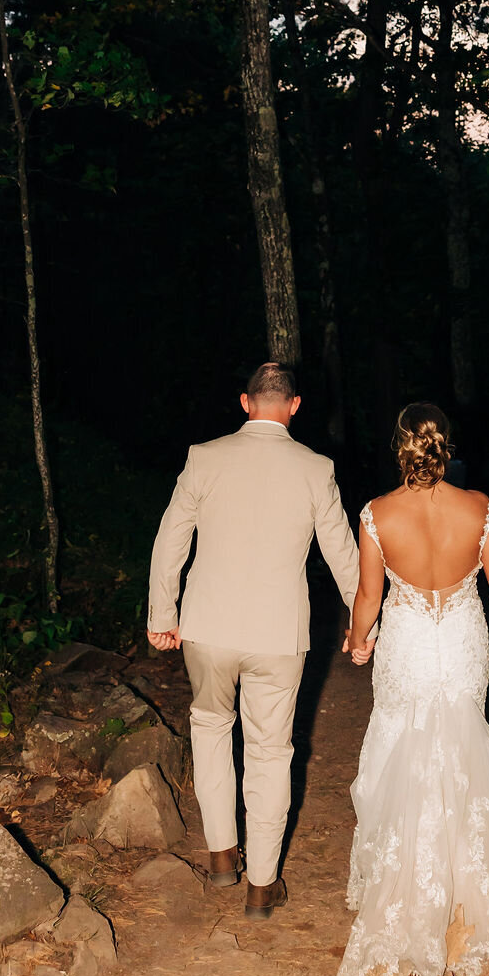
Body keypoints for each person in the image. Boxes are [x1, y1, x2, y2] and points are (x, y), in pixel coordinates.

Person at [334, 402, 489, 976]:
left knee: (404, 749)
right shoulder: (479, 508)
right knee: (459, 750)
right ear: (446, 445)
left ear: (398, 447)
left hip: (405, 642)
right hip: (459, 641)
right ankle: (467, 905)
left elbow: (369, 593)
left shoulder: (377, 514)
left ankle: (408, 898)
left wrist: (358, 640)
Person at [147, 363, 359, 919]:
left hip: (208, 628)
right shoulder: (316, 467)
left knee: (210, 727)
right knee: (270, 752)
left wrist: (161, 613)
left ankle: (221, 855)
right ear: (294, 406)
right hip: (276, 634)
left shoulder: (205, 456)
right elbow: (342, 552)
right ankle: (262, 886)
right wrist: (366, 621)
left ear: (245, 402)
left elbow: (171, 537)